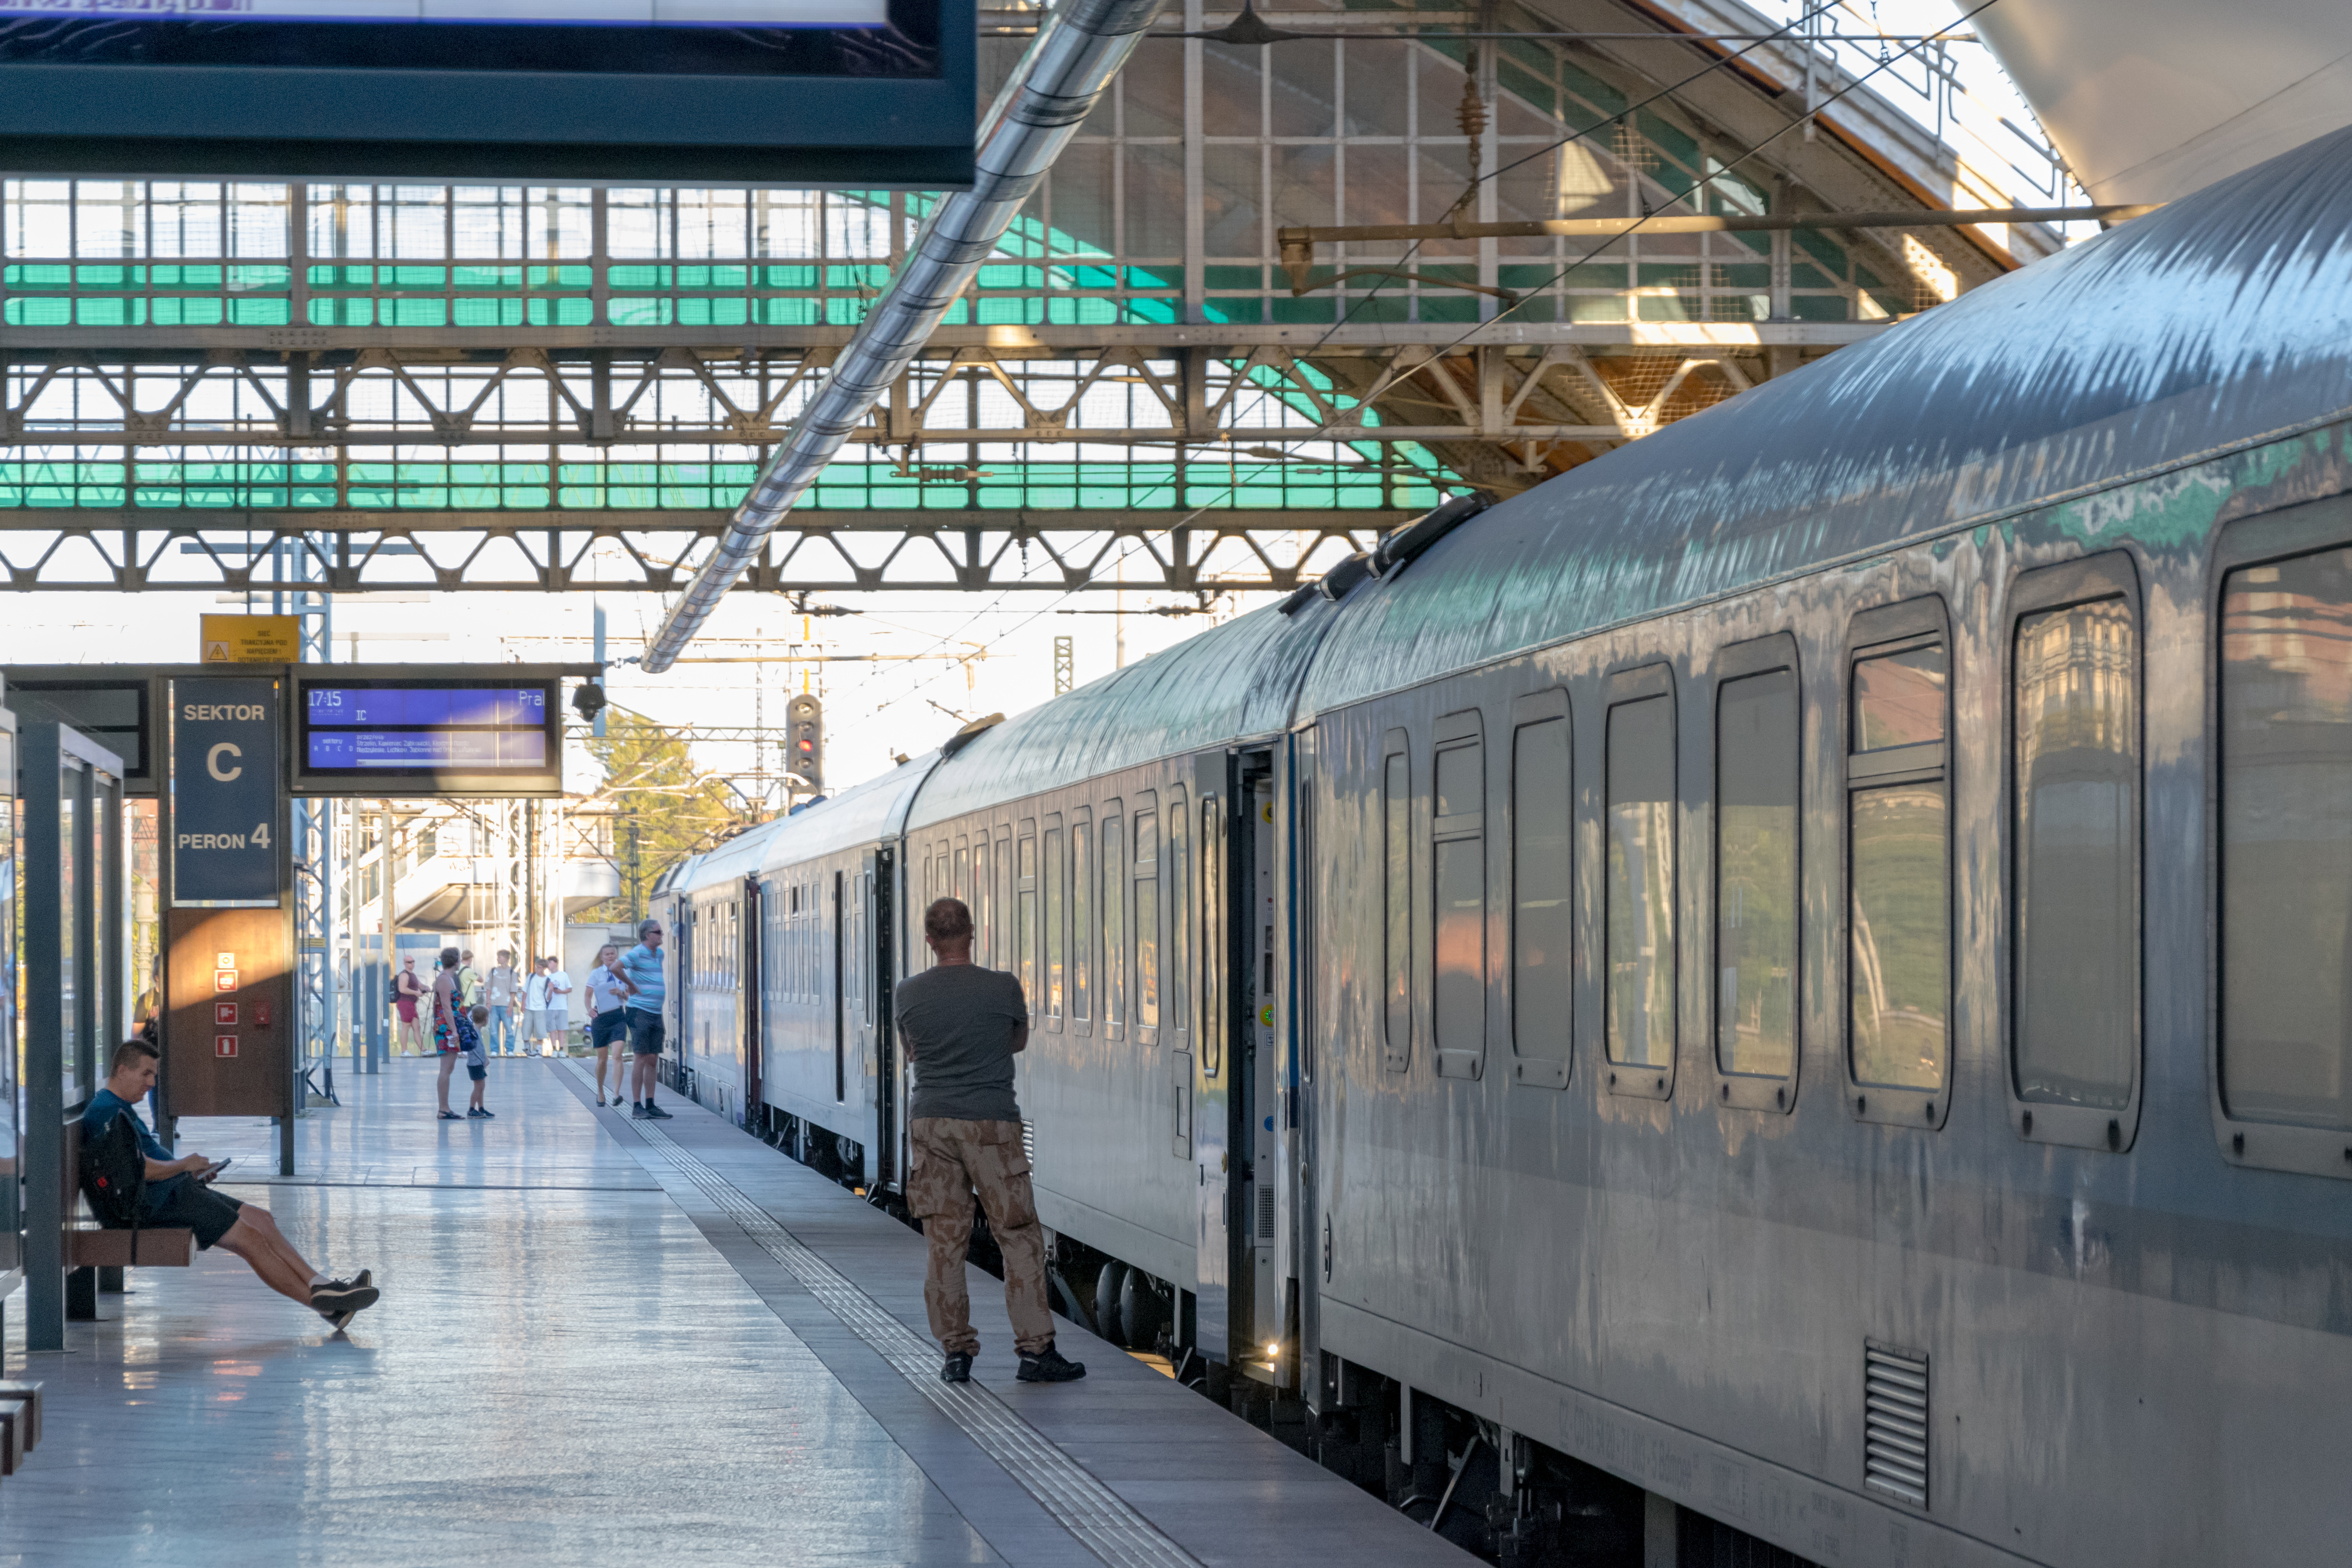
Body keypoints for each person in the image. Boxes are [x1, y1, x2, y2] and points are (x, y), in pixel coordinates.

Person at [896, 897, 1084, 1386]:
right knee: (1017, 1236)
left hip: (932, 1122)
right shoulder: (1003, 987)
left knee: (944, 1242)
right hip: (991, 1124)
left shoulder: (909, 993)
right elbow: (1017, 1041)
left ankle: (956, 1354)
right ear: (972, 933)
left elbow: (912, 1051)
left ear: (930, 938)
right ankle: (1035, 1350)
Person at [84, 1038, 377, 1328]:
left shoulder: (118, 1105)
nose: (151, 1083)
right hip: (155, 1203)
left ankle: (322, 1285)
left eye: (154, 1075)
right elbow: (137, 1170)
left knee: (262, 1220)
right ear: (122, 1070)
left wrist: (188, 1173)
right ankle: (327, 1307)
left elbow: (138, 1164)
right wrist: (183, 1165)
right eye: (146, 1074)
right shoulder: (106, 1111)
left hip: (174, 1190)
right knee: (250, 1239)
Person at [615, 920, 672, 1120]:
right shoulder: (637, 953)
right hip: (639, 1011)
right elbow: (616, 967)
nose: (661, 935)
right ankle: (637, 1106)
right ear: (647, 935)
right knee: (640, 1056)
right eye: (658, 932)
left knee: (653, 1058)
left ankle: (651, 1104)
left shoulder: (660, 955)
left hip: (655, 1012)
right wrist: (631, 985)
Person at [585, 943, 630, 1105]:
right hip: (601, 1017)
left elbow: (629, 997)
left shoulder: (624, 973)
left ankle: (617, 1094)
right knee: (602, 1059)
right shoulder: (596, 974)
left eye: (613, 954)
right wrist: (589, 1009)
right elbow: (588, 995)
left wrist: (621, 993)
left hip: (618, 1015)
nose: (611, 957)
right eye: (608, 954)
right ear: (602, 957)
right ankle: (600, 1090)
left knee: (618, 1055)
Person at [432, 947, 471, 1121]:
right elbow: (447, 1007)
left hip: (450, 1026)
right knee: (446, 1069)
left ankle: (445, 1107)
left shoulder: (449, 978)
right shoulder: (445, 980)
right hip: (446, 1028)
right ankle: (443, 1109)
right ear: (456, 962)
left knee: (449, 1068)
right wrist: (454, 1031)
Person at [484, 949, 519, 1056]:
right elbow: (488, 987)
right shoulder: (493, 971)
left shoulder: (512, 973)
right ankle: (495, 1050)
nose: (498, 959)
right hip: (494, 1004)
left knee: (509, 1029)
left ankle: (510, 1050)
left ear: (506, 959)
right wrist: (488, 1002)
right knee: (494, 1029)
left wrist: (510, 1006)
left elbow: (513, 991)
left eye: (500, 957)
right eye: (498, 957)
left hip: (506, 1004)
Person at [463, 1004, 494, 1119]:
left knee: (481, 1087)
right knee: (478, 1088)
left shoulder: (476, 1031)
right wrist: (483, 1060)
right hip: (475, 1064)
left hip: (478, 1063)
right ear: (486, 1019)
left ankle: (481, 1108)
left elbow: (480, 1048)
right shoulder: (475, 1032)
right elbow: (475, 1050)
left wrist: (484, 1058)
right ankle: (471, 1109)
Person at [393, 956, 427, 1056]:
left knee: (417, 1027)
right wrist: (416, 993)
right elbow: (402, 989)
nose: (412, 964)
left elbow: (420, 985)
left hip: (412, 1004)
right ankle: (404, 1051)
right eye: (409, 962)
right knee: (406, 1026)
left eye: (413, 962)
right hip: (405, 1003)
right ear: (405, 963)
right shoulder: (404, 975)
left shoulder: (413, 975)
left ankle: (424, 1051)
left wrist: (426, 988)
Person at [542, 955, 573, 1056]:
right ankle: (554, 1049)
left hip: (562, 1006)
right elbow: (547, 997)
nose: (548, 966)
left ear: (555, 963)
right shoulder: (548, 977)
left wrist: (561, 992)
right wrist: (551, 990)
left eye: (550, 963)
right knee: (552, 1029)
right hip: (551, 1006)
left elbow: (570, 989)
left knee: (561, 1028)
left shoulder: (563, 975)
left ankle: (562, 1049)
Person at [521, 957, 551, 1056]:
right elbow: (525, 990)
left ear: (544, 968)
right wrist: (523, 1004)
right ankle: (527, 1047)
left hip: (540, 1007)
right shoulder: (531, 976)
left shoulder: (547, 980)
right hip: (529, 1007)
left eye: (539, 967)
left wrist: (551, 990)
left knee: (540, 1029)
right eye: (536, 967)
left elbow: (548, 998)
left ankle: (539, 1050)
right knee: (526, 1028)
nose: (537, 969)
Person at [457, 950, 483, 1015]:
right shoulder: (469, 971)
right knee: (470, 1022)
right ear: (470, 959)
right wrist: (473, 972)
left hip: (459, 1001)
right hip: (468, 1002)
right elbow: (481, 980)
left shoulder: (457, 969)